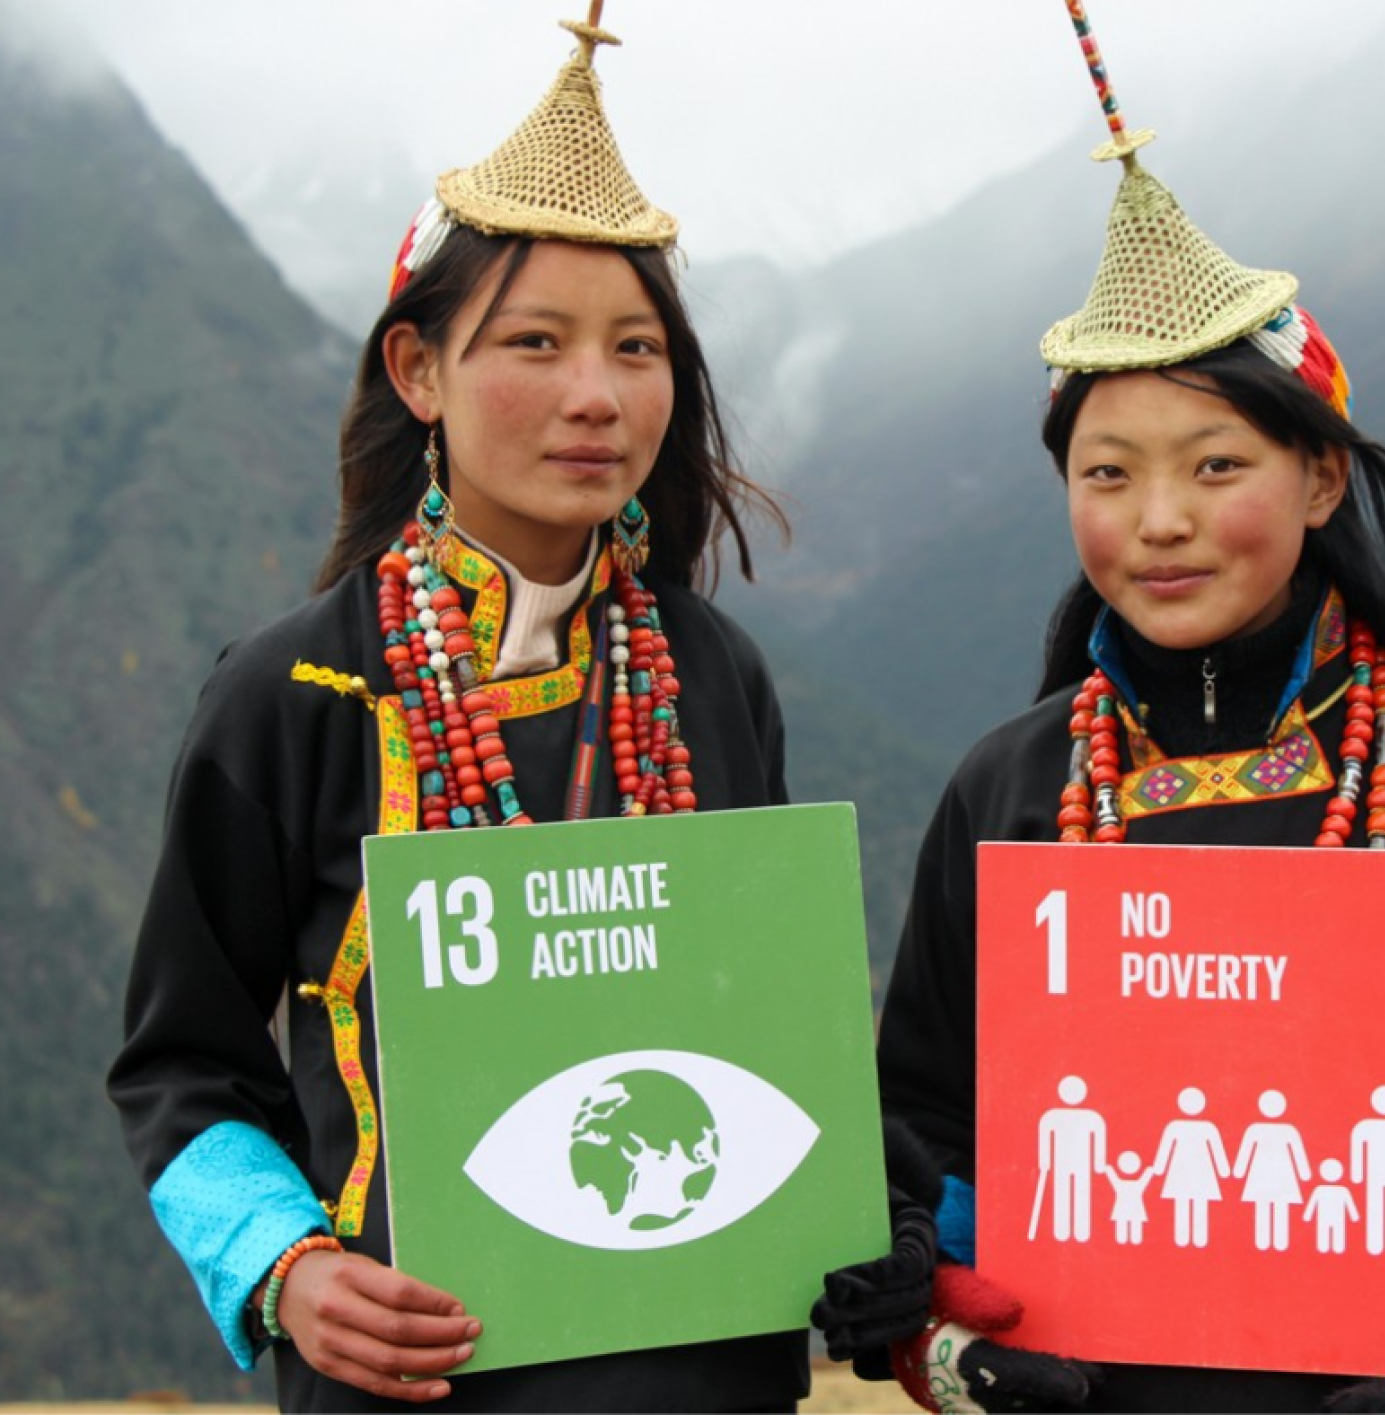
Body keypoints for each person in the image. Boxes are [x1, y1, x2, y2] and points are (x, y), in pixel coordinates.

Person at [862, 9, 1385, 1412]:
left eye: (1215, 461)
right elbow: (922, 1123)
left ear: (1319, 479)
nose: (1160, 520)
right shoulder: (1010, 789)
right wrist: (936, 1332)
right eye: (1108, 472)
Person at [108, 14, 927, 1411]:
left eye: (637, 347)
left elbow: (759, 1025)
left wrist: (872, 1234)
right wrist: (292, 1269)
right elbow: (182, 1060)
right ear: (419, 372)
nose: (597, 396)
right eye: (536, 343)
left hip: (703, 1372)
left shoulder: (710, 671)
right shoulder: (293, 695)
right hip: (419, 1380)